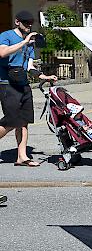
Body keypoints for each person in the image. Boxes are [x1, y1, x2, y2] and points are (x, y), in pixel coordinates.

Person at [0, 11, 57, 167]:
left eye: (31, 22)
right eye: (26, 22)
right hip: (7, 84)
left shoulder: (30, 43)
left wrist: (43, 76)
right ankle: (21, 156)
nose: (29, 25)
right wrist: (25, 42)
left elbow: (29, 66)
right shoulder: (6, 36)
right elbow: (3, 52)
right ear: (17, 22)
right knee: (12, 120)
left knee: (24, 121)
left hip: (23, 84)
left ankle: (22, 157)